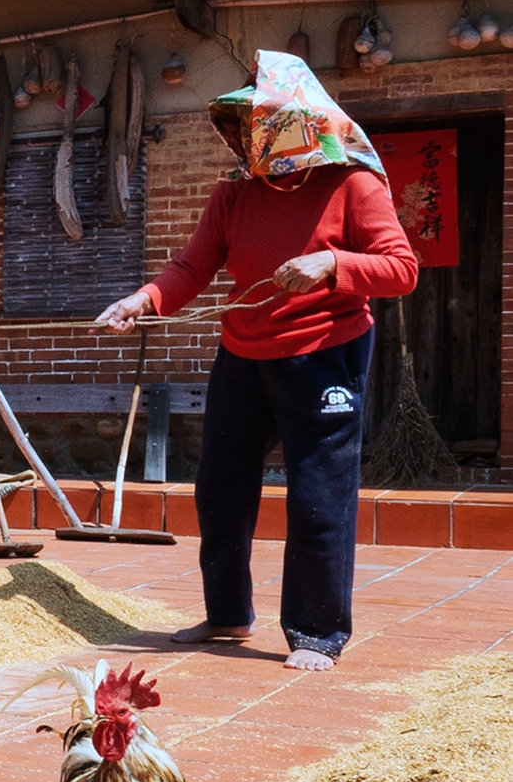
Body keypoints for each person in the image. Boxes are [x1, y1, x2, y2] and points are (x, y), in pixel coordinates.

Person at [95, 52, 417, 672]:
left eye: (261, 123)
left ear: (301, 122)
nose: (250, 138)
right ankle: (227, 615)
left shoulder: (353, 185)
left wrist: (332, 264)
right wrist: (145, 299)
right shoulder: (233, 193)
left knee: (318, 496)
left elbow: (400, 269)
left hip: (325, 353)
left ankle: (317, 633)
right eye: (244, 126)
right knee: (219, 489)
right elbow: (193, 266)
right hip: (243, 354)